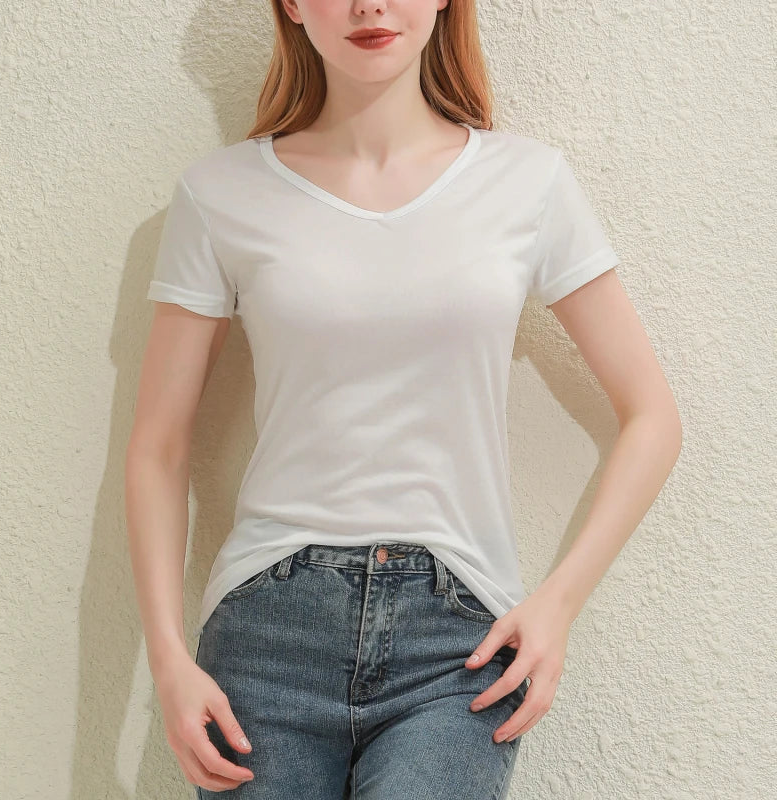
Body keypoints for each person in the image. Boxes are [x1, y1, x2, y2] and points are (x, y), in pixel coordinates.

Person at [125, 0, 682, 797]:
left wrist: (558, 606)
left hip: (460, 645)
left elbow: (653, 417)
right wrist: (168, 659)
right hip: (268, 636)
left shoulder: (527, 182)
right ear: (291, 5)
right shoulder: (221, 193)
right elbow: (158, 445)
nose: (369, 5)